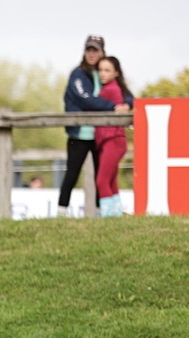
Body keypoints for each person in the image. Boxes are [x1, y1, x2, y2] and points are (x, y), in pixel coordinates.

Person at [58, 35, 130, 216]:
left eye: (95, 50)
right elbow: (85, 99)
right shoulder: (77, 74)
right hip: (79, 134)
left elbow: (126, 94)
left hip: (101, 136)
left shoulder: (105, 73)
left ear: (102, 52)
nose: (91, 54)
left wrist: (126, 105)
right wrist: (113, 107)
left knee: (102, 175)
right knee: (72, 173)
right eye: (88, 50)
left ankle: (101, 213)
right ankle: (61, 212)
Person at [95, 57, 133, 218]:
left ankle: (107, 215)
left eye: (107, 70)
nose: (102, 74)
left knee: (101, 180)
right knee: (111, 180)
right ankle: (115, 214)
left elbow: (94, 105)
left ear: (116, 72)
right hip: (113, 140)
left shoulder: (110, 90)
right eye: (100, 70)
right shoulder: (116, 88)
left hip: (113, 140)